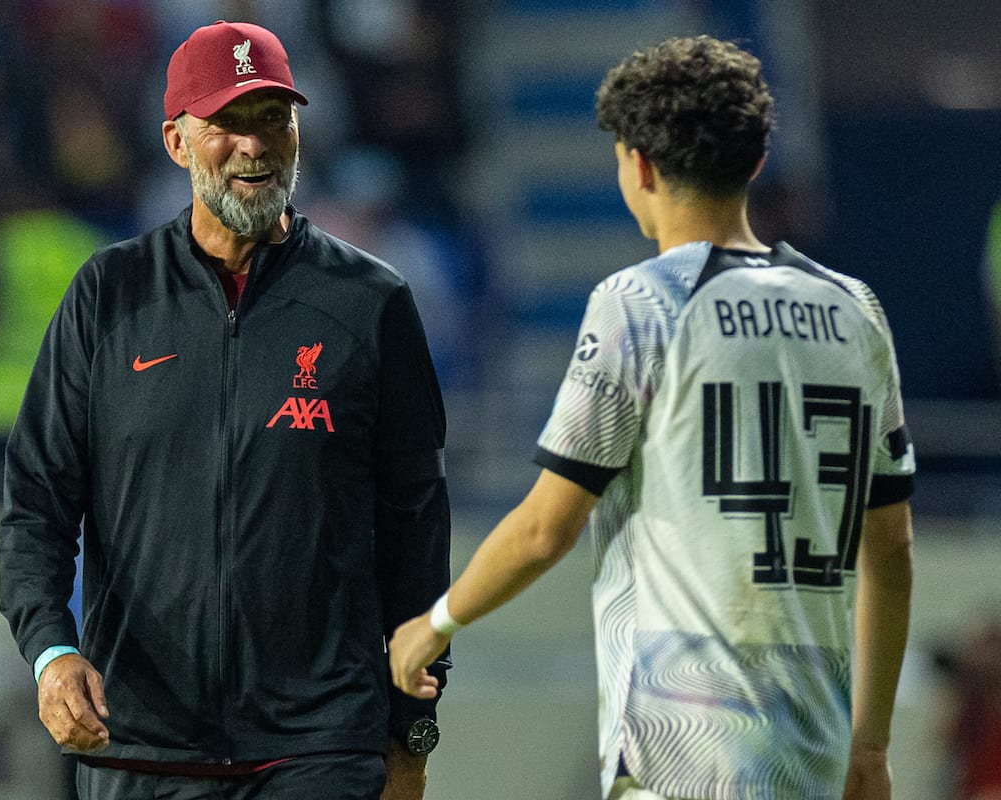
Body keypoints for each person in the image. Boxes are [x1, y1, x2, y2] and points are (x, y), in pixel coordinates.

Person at [390, 35, 916, 800]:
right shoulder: (853, 310)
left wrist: (434, 623)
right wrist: (870, 745)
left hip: (682, 757)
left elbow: (546, 528)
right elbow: (893, 551)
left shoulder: (641, 304)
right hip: (818, 755)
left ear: (637, 163)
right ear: (757, 162)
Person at [0, 20, 451, 800]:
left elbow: (416, 528)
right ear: (176, 141)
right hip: (140, 747)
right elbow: (37, 506)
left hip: (320, 748)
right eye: (228, 123)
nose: (255, 145)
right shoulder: (108, 296)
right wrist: (50, 654)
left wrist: (411, 732)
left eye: (274, 118)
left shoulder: (371, 302)